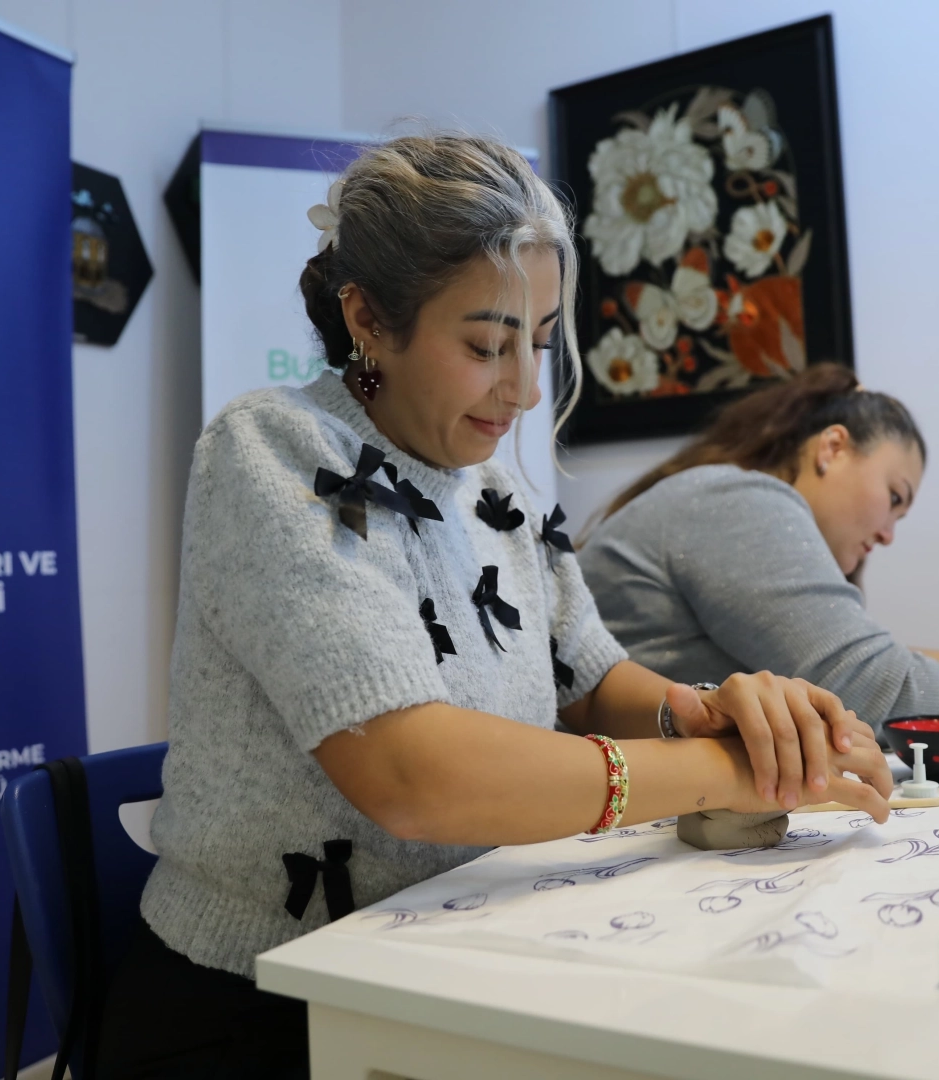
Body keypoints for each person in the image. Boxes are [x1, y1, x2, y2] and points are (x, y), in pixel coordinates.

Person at [96, 136, 892, 1079]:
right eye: (486, 346)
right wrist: (719, 773)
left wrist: (718, 713)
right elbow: (411, 775)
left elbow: (591, 683)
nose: (523, 389)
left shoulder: (496, 494)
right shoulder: (273, 452)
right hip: (266, 1002)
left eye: (541, 342)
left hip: (448, 949)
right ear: (367, 319)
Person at [578, 363, 939, 737]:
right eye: (894, 497)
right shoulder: (741, 500)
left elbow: (846, 657)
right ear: (833, 447)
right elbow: (869, 688)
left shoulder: (722, 498)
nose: (889, 534)